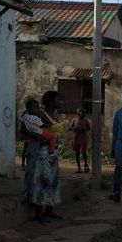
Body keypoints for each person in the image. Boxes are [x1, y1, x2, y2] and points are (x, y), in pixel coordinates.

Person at [21, 91, 64, 223]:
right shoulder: (39, 113)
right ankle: (38, 214)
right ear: (50, 101)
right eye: (58, 100)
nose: (60, 102)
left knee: (53, 180)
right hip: (41, 153)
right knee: (41, 181)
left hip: (52, 152)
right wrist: (41, 138)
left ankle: (49, 210)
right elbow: (24, 129)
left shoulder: (54, 115)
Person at [69, 108, 91, 174]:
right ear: (78, 113)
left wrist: (83, 128)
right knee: (77, 153)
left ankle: (86, 165)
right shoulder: (74, 120)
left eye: (84, 113)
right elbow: (69, 128)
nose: (83, 114)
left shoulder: (86, 121)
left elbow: (89, 128)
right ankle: (79, 168)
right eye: (81, 112)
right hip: (76, 139)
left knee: (83, 152)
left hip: (83, 139)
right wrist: (74, 127)